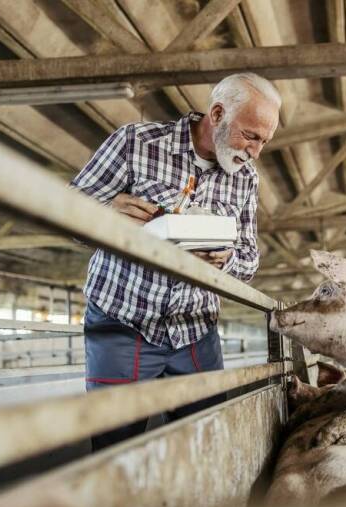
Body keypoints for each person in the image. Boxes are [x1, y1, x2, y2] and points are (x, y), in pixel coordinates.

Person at [70, 73, 281, 450]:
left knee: (205, 442)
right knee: (116, 445)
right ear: (217, 114)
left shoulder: (245, 179)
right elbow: (66, 210)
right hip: (124, 320)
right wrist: (105, 212)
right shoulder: (136, 143)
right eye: (250, 136)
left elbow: (249, 261)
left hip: (194, 329)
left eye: (264, 141)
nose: (255, 152)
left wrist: (226, 259)